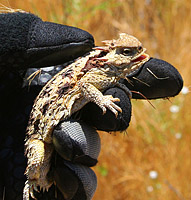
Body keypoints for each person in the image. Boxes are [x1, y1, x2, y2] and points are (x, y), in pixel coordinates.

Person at [0, 11, 183, 200]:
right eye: (126, 52)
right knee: (38, 160)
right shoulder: (98, 70)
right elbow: (85, 85)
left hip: (51, 118)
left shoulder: (104, 69)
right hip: (38, 134)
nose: (136, 54)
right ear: (111, 54)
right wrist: (102, 100)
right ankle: (30, 183)